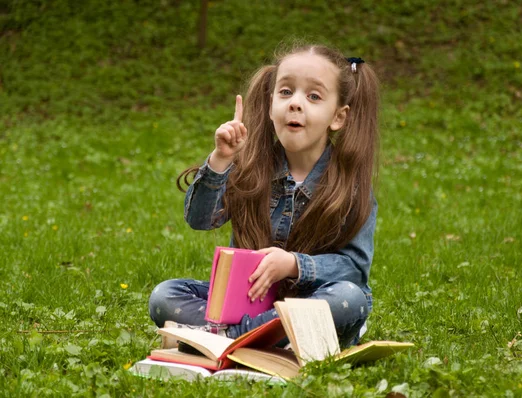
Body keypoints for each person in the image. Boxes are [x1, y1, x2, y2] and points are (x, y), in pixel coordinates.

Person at [149, 43, 380, 348]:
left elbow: (353, 268)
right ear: (271, 105)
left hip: (312, 305)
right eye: (286, 92)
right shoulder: (249, 168)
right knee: (165, 295)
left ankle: (225, 338)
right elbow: (200, 220)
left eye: (313, 96)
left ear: (338, 116)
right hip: (249, 305)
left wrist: (295, 265)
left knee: (349, 299)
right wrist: (221, 160)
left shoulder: (350, 187)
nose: (296, 103)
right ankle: (268, 336)